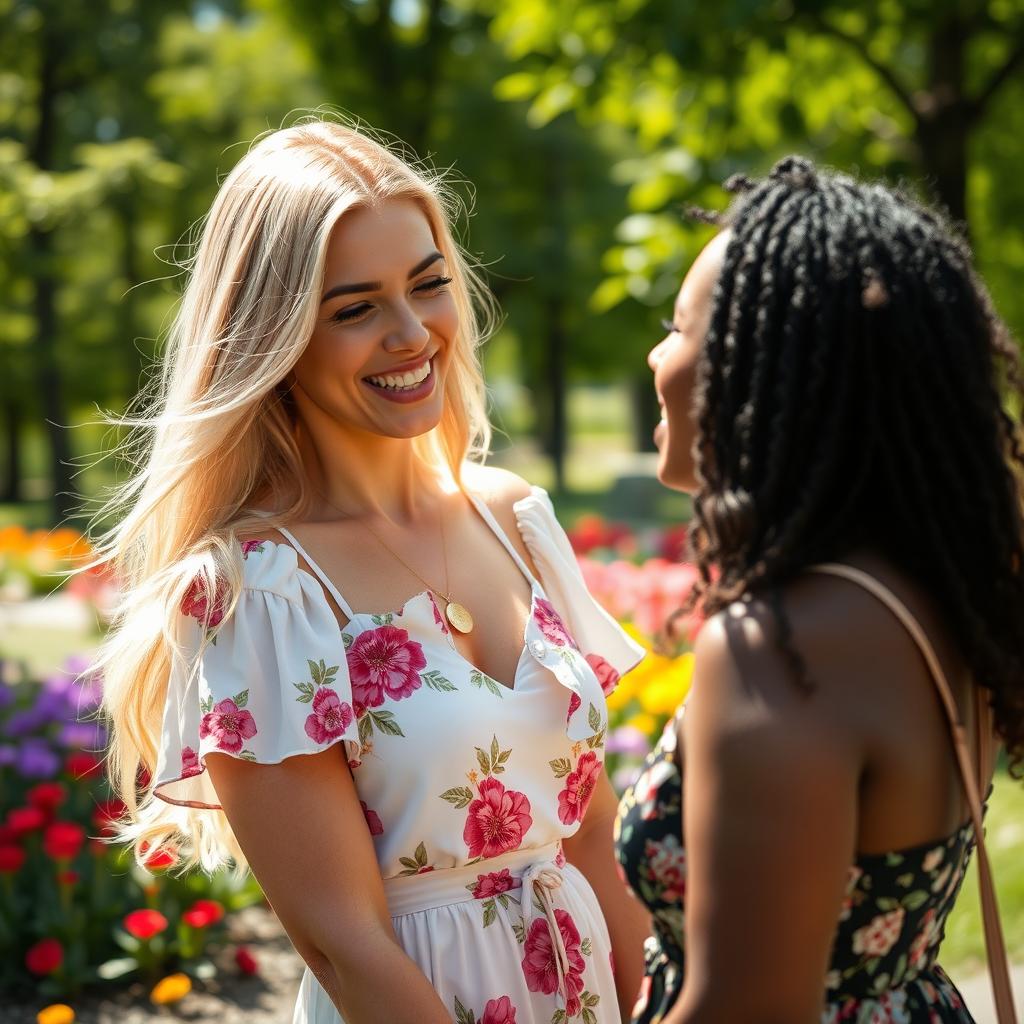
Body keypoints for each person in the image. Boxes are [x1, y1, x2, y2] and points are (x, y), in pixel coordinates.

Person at [95, 119, 651, 1023]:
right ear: (273, 339)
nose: (410, 333)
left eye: (427, 285)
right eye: (355, 309)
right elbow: (344, 946)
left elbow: (590, 835)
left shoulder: (514, 518)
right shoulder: (259, 592)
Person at [613, 156, 1024, 1023]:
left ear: (761, 366)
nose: (657, 355)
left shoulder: (786, 642)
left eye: (678, 327)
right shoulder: (930, 593)